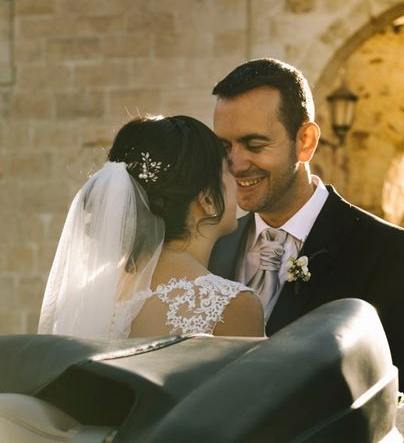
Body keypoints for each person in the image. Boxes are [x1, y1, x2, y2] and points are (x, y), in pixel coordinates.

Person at [208, 58, 404, 401]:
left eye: (254, 145)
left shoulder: (384, 250)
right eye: (224, 147)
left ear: (306, 142)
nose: (235, 164)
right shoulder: (213, 245)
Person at [38, 115, 264, 339]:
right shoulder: (232, 307)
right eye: (227, 170)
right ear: (207, 200)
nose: (236, 179)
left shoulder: (87, 298)